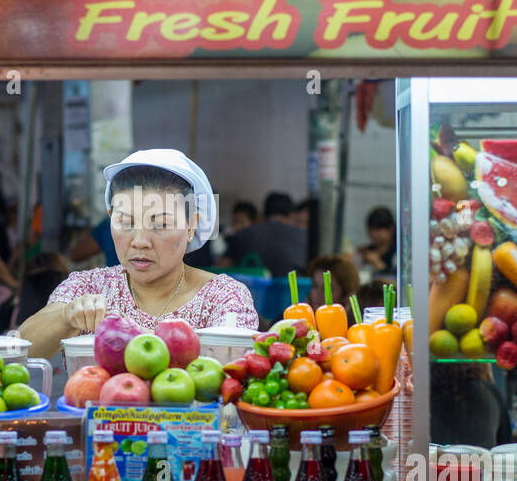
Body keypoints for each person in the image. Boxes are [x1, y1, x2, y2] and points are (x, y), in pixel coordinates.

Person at [19, 149, 258, 358]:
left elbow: (232, 372)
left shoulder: (224, 297)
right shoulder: (88, 287)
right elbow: (23, 348)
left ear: (191, 225)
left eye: (161, 224)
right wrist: (66, 316)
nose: (140, 241)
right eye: (125, 222)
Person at [220, 192, 308, 276]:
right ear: (291, 215)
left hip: (251, 290)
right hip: (292, 291)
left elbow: (223, 267)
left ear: (263, 214)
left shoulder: (243, 234)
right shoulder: (304, 237)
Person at [353, 206, 397, 284]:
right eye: (372, 229)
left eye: (379, 230)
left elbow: (398, 279)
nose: (374, 234)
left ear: (391, 229)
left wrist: (377, 263)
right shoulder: (367, 251)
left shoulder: (398, 253)